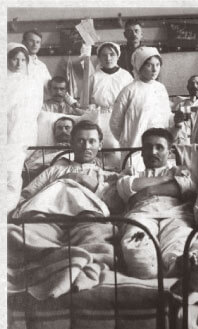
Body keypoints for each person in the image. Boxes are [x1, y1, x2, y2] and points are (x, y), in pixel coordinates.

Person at [9, 120, 121, 299]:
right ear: (71, 143)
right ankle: (56, 267)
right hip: (46, 215)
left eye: (92, 141)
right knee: (22, 235)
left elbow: (115, 204)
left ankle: (72, 272)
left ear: (100, 145)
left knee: (97, 238)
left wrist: (91, 184)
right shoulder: (54, 170)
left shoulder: (109, 176)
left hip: (87, 217)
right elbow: (27, 194)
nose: (86, 146)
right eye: (80, 141)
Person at [116, 128, 196, 278]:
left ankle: (175, 268)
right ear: (142, 151)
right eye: (148, 147)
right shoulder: (132, 172)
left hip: (176, 215)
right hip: (141, 215)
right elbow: (126, 187)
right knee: (136, 248)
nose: (153, 152)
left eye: (159, 147)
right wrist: (166, 179)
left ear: (170, 151)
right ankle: (149, 277)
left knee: (179, 243)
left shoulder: (181, 171)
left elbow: (185, 188)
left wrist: (147, 191)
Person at [110, 47, 172, 149]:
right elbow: (115, 123)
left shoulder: (161, 88)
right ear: (140, 67)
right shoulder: (129, 91)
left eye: (157, 65)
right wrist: (127, 141)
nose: (154, 69)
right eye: (149, 65)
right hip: (135, 147)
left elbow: (166, 117)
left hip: (158, 145)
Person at [7, 42, 44, 213]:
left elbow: (35, 108)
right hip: (5, 129)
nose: (19, 63)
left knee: (13, 173)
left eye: (23, 60)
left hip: (21, 132)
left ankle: (7, 209)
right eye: (15, 59)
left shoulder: (31, 83)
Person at [172, 75, 198, 144]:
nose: (194, 86)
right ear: (188, 87)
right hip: (182, 141)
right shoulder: (179, 104)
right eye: (192, 84)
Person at [22, 30, 51, 98]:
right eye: (31, 41)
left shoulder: (41, 66)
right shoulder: (15, 62)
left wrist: (72, 102)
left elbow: (52, 87)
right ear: (23, 42)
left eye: (38, 42)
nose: (35, 45)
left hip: (36, 106)